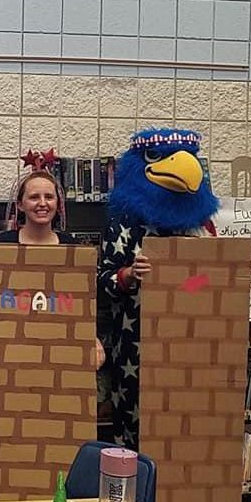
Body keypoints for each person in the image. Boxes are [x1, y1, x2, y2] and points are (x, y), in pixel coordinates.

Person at [0, 159, 105, 502]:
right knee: (5, 438)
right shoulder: (0, 245)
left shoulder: (72, 248)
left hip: (58, 368)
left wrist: (93, 339)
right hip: (8, 364)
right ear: (21, 204)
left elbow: (85, 303)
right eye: (34, 197)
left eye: (49, 197)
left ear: (58, 204)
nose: (42, 203)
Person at [99, 128, 219, 451]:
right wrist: (129, 275)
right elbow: (103, 281)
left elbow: (198, 284)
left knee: (186, 425)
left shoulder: (201, 226)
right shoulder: (123, 222)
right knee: (136, 432)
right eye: (157, 156)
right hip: (137, 347)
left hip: (190, 343)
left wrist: (231, 272)